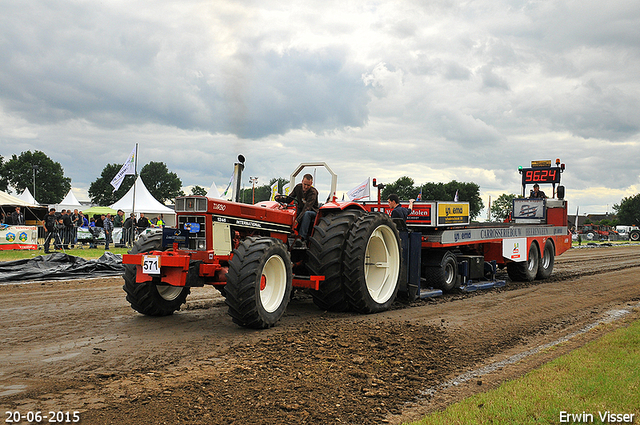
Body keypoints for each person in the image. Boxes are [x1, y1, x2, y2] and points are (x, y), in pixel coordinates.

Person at [285, 174, 319, 241]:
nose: (306, 187)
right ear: (302, 181)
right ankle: (288, 232)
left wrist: (297, 220)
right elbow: (289, 199)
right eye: (304, 184)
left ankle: (301, 237)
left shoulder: (313, 193)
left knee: (307, 214)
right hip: (301, 209)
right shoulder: (298, 187)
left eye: (308, 185)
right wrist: (280, 198)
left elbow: (307, 208)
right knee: (292, 212)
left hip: (313, 211)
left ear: (311, 184)